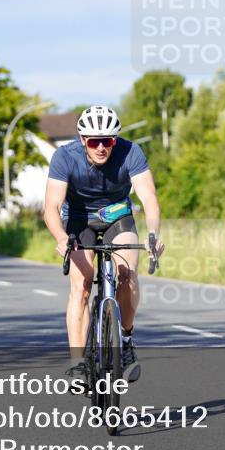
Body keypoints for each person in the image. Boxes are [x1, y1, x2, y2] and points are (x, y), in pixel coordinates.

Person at [43, 105, 164, 384]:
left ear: (115, 140)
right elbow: (51, 207)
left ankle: (126, 340)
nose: (101, 148)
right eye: (94, 142)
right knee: (81, 284)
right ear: (83, 140)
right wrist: (61, 238)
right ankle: (77, 363)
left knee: (128, 274)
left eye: (107, 141)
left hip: (118, 217)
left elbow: (149, 198)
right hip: (78, 220)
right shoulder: (64, 156)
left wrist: (153, 234)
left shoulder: (131, 152)